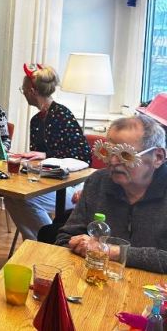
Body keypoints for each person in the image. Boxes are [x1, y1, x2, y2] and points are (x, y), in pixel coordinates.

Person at [55, 114, 167, 274]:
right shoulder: (98, 182)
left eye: (125, 155)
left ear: (158, 157)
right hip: (99, 279)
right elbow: (66, 238)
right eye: (107, 152)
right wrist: (78, 244)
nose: (113, 161)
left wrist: (110, 250)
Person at [6, 63, 91, 241]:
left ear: (32, 91)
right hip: (46, 182)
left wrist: (46, 155)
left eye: (23, 90)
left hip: (71, 186)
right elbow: (38, 159)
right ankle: (39, 242)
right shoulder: (36, 120)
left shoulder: (62, 114)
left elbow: (83, 155)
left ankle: (50, 241)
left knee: (25, 199)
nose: (24, 94)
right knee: (11, 197)